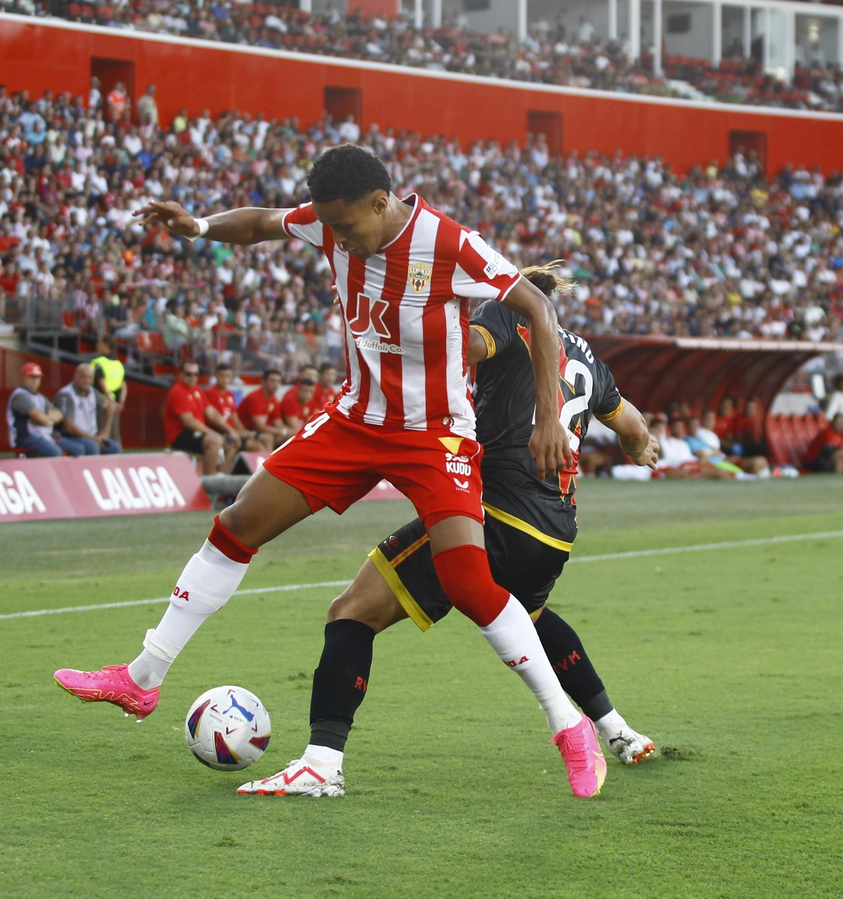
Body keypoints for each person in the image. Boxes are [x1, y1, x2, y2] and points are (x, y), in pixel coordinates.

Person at [55, 143, 606, 798]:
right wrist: (198, 227)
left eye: (346, 227)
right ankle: (142, 678)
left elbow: (538, 312)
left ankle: (568, 726)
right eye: (330, 227)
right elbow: (260, 223)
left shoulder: (449, 244)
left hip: (435, 436)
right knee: (237, 525)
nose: (337, 238)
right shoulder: (330, 218)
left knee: (467, 582)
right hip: (353, 421)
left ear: (382, 204)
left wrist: (548, 416)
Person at [242, 264, 660, 796]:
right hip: (555, 529)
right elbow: (633, 428)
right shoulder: (589, 359)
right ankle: (617, 729)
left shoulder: (507, 311)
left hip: (496, 512)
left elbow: (473, 346)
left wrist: (405, 327)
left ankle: (322, 763)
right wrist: (638, 450)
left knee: (351, 612)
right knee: (527, 617)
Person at [162, 362, 229, 474]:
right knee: (214, 440)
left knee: (232, 442)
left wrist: (230, 430)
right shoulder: (178, 391)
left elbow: (211, 412)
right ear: (181, 374)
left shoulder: (197, 389)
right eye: (189, 374)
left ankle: (221, 477)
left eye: (196, 374)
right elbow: (189, 422)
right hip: (179, 435)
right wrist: (213, 433)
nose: (193, 377)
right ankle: (208, 481)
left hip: (195, 432)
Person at [7, 362, 74, 457]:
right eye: (31, 377)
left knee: (78, 448)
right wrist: (48, 418)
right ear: (24, 377)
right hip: (26, 437)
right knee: (55, 451)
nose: (34, 381)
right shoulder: (20, 396)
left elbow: (59, 414)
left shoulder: (40, 397)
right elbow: (45, 421)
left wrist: (45, 418)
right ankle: (51, 472)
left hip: (45, 435)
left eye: (37, 377)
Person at [54, 363, 121, 456]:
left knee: (115, 447)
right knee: (92, 446)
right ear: (76, 376)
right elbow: (69, 427)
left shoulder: (93, 392)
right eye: (84, 377)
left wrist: (105, 432)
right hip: (71, 436)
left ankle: (104, 470)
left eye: (90, 377)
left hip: (92, 436)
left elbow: (111, 406)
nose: (87, 381)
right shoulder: (66, 394)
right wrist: (93, 439)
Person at [202, 361, 254, 463]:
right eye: (222, 376)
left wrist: (243, 431)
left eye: (228, 376)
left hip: (231, 430)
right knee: (237, 444)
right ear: (216, 376)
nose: (225, 379)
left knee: (257, 442)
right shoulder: (210, 393)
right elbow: (213, 419)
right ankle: (221, 474)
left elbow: (234, 416)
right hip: (221, 431)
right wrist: (232, 432)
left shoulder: (230, 394)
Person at [235, 367, 288, 452]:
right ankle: (267, 464)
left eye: (278, 381)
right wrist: (282, 431)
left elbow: (278, 422)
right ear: (263, 382)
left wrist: (285, 432)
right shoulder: (255, 397)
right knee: (267, 437)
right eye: (272, 381)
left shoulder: (274, 400)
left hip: (258, 432)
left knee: (289, 438)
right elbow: (260, 427)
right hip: (246, 432)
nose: (276, 384)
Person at [90, 336, 128, 417]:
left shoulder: (98, 362)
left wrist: (111, 401)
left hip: (101, 404)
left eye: (100, 343)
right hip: (116, 406)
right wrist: (121, 403)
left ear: (106, 345)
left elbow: (101, 383)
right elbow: (124, 386)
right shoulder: (119, 364)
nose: (97, 345)